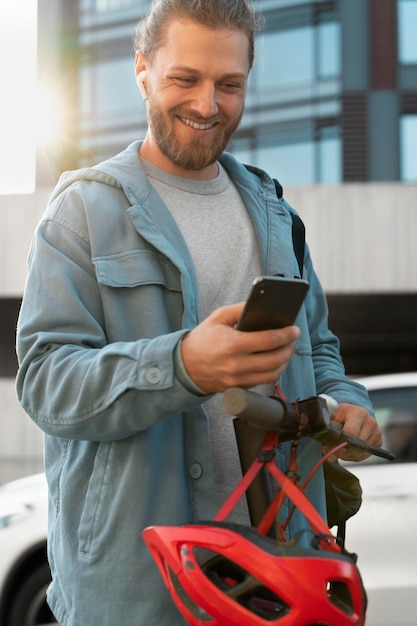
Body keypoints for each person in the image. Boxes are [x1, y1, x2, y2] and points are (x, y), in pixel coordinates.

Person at [16, 1, 382, 624]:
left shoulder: (276, 214)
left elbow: (318, 352)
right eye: (184, 79)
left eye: (229, 84)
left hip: (278, 575)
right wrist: (182, 365)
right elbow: (47, 384)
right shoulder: (80, 213)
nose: (208, 105)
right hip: (140, 588)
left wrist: (349, 406)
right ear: (142, 70)